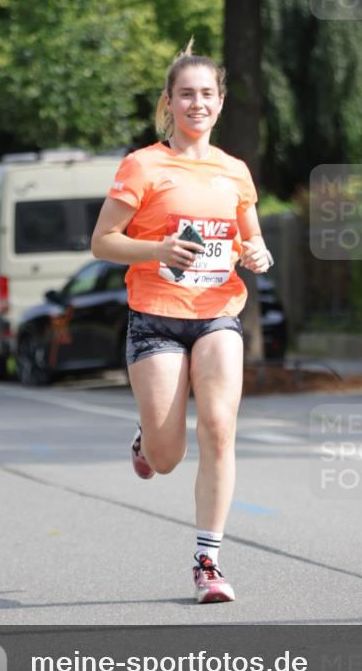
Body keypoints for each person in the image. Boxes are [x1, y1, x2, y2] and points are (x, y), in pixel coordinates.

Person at [91, 41, 273, 603]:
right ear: (169, 103)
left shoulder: (235, 171)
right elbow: (102, 242)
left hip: (219, 312)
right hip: (155, 319)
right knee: (168, 459)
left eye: (207, 94)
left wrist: (259, 255)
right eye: (186, 94)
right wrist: (156, 251)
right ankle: (147, 443)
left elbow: (252, 237)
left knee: (219, 428)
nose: (198, 103)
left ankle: (207, 562)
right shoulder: (143, 165)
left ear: (221, 103)